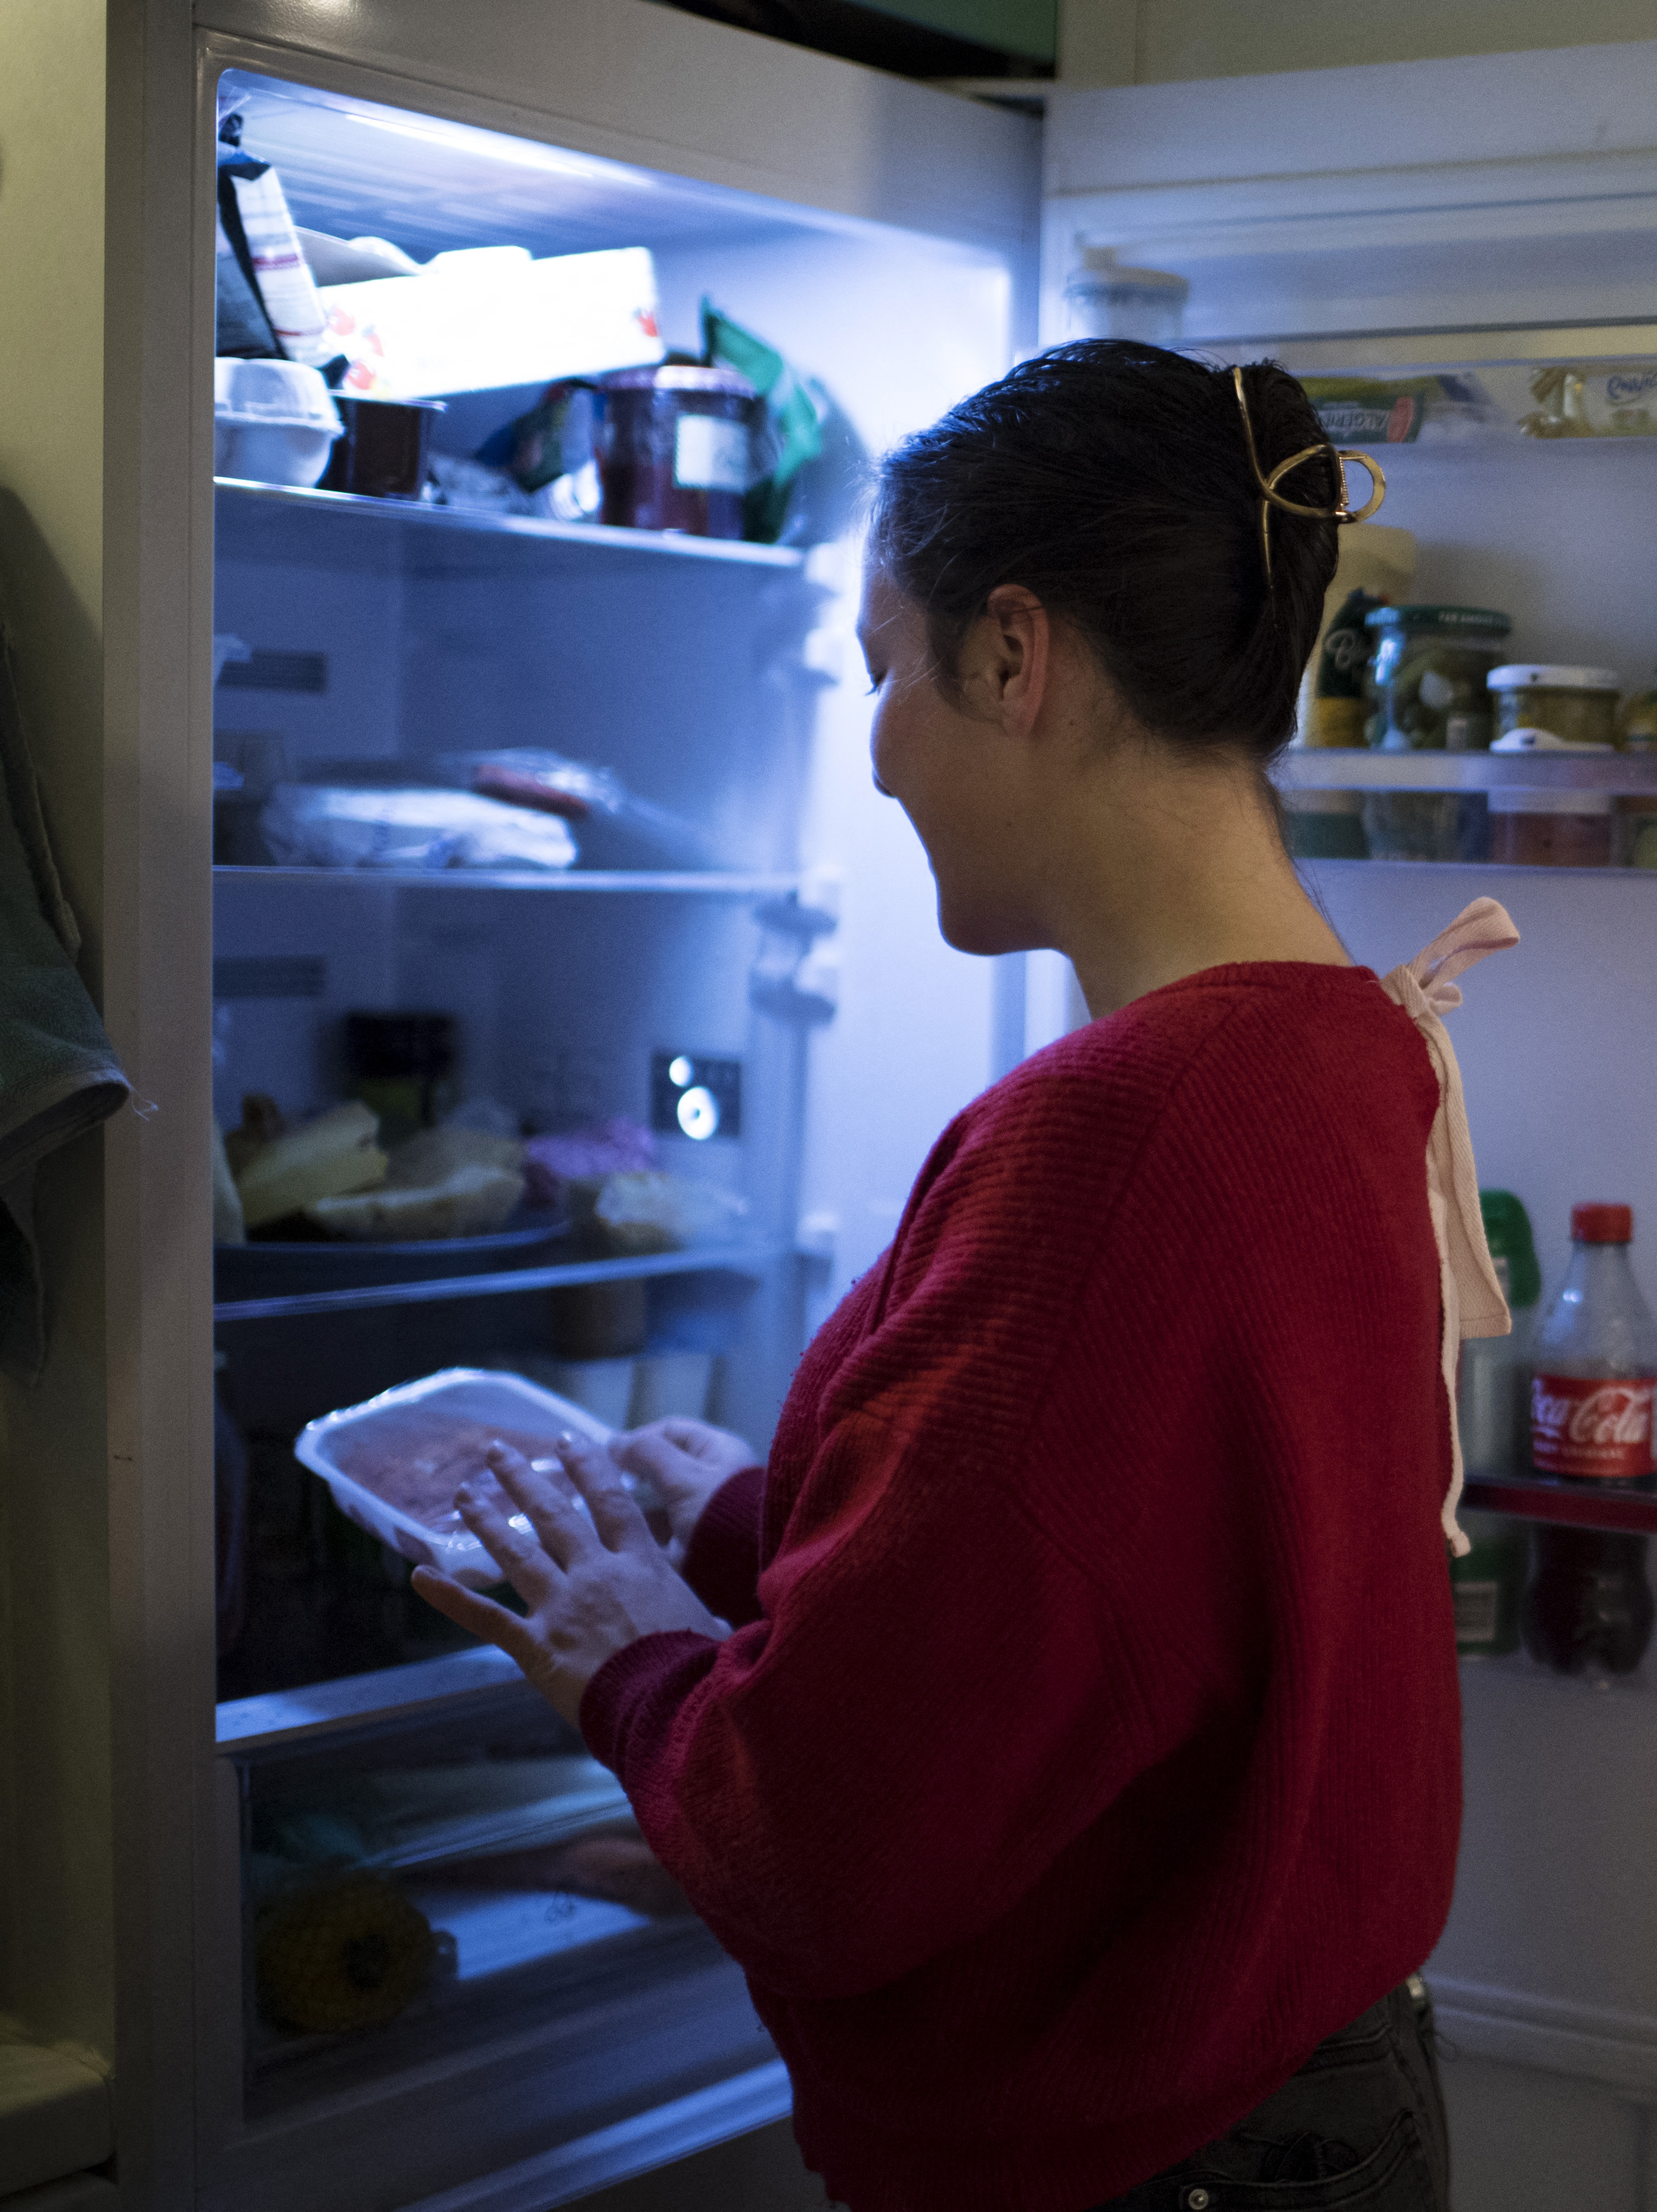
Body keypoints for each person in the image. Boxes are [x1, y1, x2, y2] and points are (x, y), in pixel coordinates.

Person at [413, 340, 1513, 2212]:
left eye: (885, 670)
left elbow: (824, 1846)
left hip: (1148, 2162)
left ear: (1016, 655)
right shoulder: (1341, 1047)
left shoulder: (1121, 1129)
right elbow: (1128, 1577)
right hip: (1310, 2104)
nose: (876, 746)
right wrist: (766, 1520)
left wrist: (628, 1656)